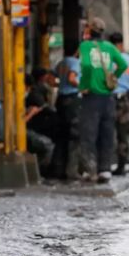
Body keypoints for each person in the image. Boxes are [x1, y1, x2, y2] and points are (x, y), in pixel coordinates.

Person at [78, 17, 128, 183]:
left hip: (91, 97)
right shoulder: (110, 47)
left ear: (90, 30)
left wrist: (84, 84)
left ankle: (89, 169)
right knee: (106, 133)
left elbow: (85, 65)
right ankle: (105, 169)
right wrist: (113, 77)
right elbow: (122, 64)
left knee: (89, 134)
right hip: (108, 98)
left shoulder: (85, 46)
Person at [107, 32, 129, 176]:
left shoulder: (106, 60)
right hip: (125, 101)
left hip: (107, 99)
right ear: (121, 44)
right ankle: (121, 167)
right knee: (123, 134)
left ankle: (104, 166)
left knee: (106, 133)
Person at [52, 43, 82, 180]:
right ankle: (71, 171)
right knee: (74, 135)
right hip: (72, 100)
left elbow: (53, 79)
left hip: (60, 100)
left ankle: (58, 169)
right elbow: (72, 78)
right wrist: (82, 86)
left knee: (61, 136)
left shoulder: (61, 63)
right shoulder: (75, 62)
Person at [24, 71, 57, 174]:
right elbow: (18, 125)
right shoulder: (14, 98)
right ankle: (39, 171)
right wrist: (31, 113)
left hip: (28, 128)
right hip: (22, 131)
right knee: (48, 145)